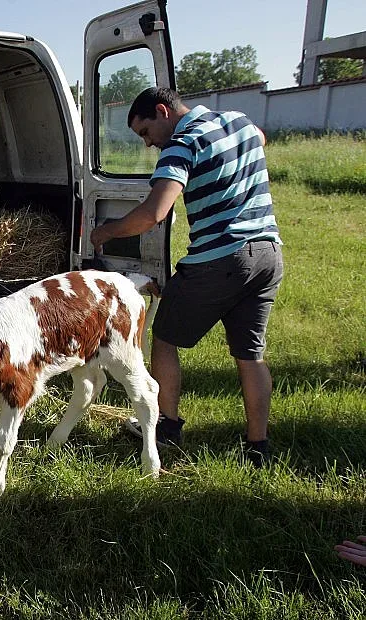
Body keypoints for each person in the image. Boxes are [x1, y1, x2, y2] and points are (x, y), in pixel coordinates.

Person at [89, 87, 283, 467]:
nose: (148, 144)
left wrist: (106, 232)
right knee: (250, 355)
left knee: (163, 338)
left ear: (163, 111)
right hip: (268, 255)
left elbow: (154, 212)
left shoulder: (182, 144)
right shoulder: (239, 121)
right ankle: (257, 446)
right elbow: (261, 137)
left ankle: (167, 427)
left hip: (221, 259)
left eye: (146, 132)